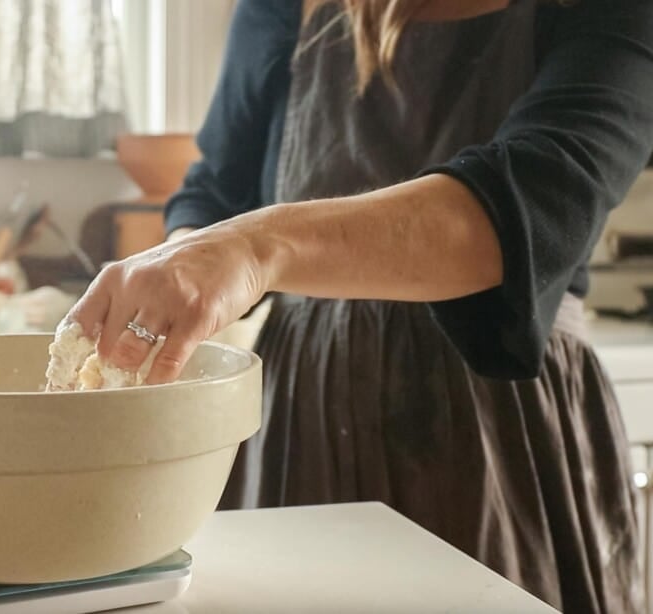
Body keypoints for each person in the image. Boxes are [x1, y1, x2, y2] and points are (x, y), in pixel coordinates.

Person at [66, 0, 653, 611]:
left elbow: (523, 207)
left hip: (503, 423)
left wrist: (254, 246)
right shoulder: (279, 10)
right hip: (302, 408)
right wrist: (190, 261)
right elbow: (218, 188)